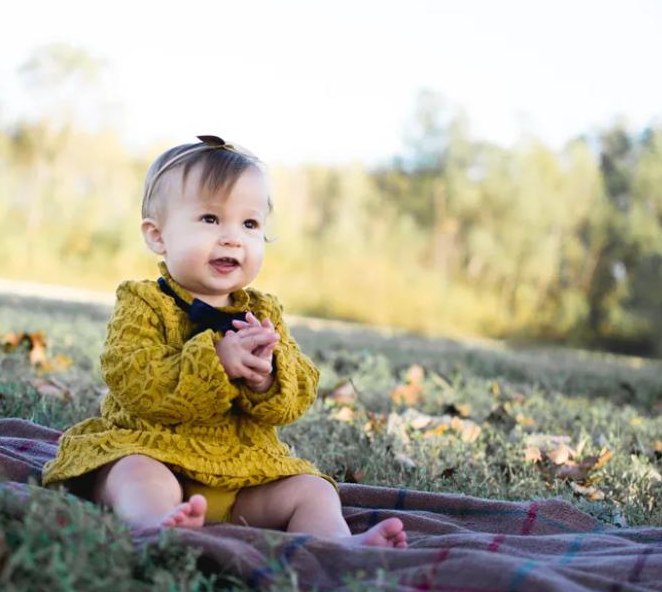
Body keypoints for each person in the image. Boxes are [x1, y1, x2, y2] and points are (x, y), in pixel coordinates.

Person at [42, 135, 406, 548]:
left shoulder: (263, 313)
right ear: (158, 236)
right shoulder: (143, 302)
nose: (233, 237)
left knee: (314, 490)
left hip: (243, 475)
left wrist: (267, 377)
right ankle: (158, 525)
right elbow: (133, 376)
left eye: (249, 224)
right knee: (132, 473)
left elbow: (300, 392)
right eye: (211, 219)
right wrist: (215, 362)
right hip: (156, 451)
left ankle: (337, 545)